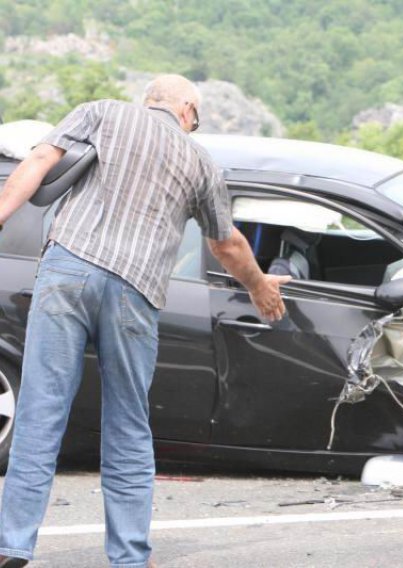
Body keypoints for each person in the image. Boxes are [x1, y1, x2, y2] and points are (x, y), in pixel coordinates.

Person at [0, 74, 291, 568]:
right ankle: (129, 556)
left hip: (68, 268)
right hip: (133, 289)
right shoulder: (199, 160)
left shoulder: (101, 112)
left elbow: (39, 160)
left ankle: (12, 542)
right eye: (195, 119)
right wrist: (259, 285)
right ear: (187, 111)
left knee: (40, 411)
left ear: (149, 100)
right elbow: (226, 244)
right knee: (128, 425)